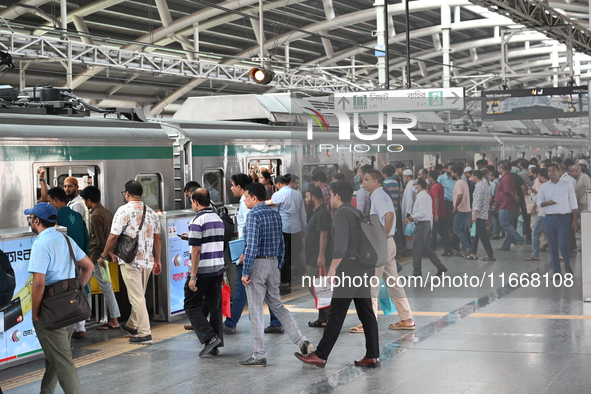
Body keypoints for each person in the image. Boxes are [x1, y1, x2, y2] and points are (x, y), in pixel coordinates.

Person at [294, 181, 380, 368]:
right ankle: (372, 355)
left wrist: (332, 269)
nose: (330, 199)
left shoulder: (341, 214)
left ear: (338, 196)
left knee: (336, 313)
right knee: (366, 313)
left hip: (349, 269)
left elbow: (341, 246)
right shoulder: (357, 212)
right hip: (364, 268)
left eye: (332, 195)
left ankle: (321, 355)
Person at [239, 182, 313, 366]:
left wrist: (245, 271)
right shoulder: (274, 214)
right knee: (278, 306)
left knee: (255, 311)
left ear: (255, 198)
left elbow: (252, 246)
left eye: (246, 196)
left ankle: (258, 355)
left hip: (257, 264)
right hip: (273, 264)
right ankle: (302, 341)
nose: (244, 199)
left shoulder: (253, 216)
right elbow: (281, 244)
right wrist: (278, 268)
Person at [26, 202, 94, 394]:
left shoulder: (40, 244)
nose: (30, 221)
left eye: (30, 218)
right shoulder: (66, 239)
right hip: (70, 306)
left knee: (62, 360)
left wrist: (36, 312)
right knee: (54, 357)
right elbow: (89, 266)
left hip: (50, 310)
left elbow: (39, 283)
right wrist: (78, 290)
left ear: (37, 221)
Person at [99, 180, 162, 344]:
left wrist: (104, 254)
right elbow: (158, 238)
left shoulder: (123, 210)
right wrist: (158, 260)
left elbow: (113, 236)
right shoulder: (152, 212)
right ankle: (133, 325)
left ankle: (144, 333)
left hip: (129, 261)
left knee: (136, 297)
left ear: (127, 193)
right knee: (139, 295)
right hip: (148, 261)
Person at [354, 169, 414, 332]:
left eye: (366, 179)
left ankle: (369, 322)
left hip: (381, 244)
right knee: (393, 282)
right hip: (388, 243)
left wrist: (381, 237)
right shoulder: (379, 195)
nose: (363, 182)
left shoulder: (379, 196)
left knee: (371, 285)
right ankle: (406, 319)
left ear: (376, 182)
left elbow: (389, 216)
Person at [184, 188, 225, 356]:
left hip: (202, 271)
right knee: (214, 306)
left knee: (190, 304)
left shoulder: (197, 221)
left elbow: (196, 251)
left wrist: (193, 276)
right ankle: (216, 343)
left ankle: (209, 338)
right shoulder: (217, 218)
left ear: (195, 202)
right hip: (217, 269)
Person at [47, 187, 90, 339]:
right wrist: (84, 256)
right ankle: (81, 326)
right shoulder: (77, 216)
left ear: (56, 201)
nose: (49, 204)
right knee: (80, 289)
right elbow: (86, 238)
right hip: (80, 259)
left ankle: (71, 326)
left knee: (65, 292)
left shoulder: (54, 217)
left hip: (64, 262)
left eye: (50, 201)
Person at [79, 186, 121, 331]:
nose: (85, 203)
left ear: (89, 200)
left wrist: (106, 254)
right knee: (100, 286)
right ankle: (87, 315)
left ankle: (113, 319)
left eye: (85, 200)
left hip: (97, 256)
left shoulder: (95, 215)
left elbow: (101, 239)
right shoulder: (107, 212)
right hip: (102, 256)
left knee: (98, 286)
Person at [223, 174, 253, 334]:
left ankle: (231, 322)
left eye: (233, 185)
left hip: (245, 250)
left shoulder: (244, 203)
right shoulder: (247, 202)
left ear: (240, 187)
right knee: (267, 290)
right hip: (249, 249)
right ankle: (276, 322)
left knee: (241, 287)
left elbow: (249, 228)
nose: (231, 188)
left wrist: (244, 252)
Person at [537, 164, 578, 275]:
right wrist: (547, 203)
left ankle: (567, 264)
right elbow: (539, 202)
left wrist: (575, 220)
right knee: (552, 245)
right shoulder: (544, 187)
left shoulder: (567, 185)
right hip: (550, 219)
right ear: (547, 173)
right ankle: (556, 272)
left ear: (558, 171)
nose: (552, 172)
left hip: (564, 218)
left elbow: (573, 203)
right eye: (549, 171)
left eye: (554, 170)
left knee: (563, 244)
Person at [304, 185, 333, 328]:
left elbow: (323, 234)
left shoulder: (322, 213)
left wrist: (321, 256)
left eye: (307, 196)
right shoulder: (316, 212)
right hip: (312, 257)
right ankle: (323, 318)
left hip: (318, 259)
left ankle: (328, 317)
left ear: (313, 198)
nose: (305, 199)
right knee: (318, 288)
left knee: (320, 288)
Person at [271, 176, 307, 286]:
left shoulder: (277, 195)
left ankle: (286, 278)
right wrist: (303, 227)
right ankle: (301, 272)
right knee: (294, 251)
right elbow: (302, 212)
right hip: (296, 228)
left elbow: (274, 214)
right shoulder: (297, 194)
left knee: (284, 253)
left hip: (283, 228)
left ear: (278, 184)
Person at [409, 178, 447, 277]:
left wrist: (412, 216)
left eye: (415, 184)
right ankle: (440, 266)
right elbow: (428, 213)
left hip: (421, 225)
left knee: (416, 248)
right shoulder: (426, 196)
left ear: (419, 186)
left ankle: (416, 272)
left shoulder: (421, 197)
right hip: (426, 224)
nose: (414, 186)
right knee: (426, 247)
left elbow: (423, 213)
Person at [466, 170, 495, 261]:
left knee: (483, 236)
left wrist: (474, 215)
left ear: (475, 176)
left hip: (479, 215)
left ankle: (491, 255)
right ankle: (472, 253)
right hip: (483, 214)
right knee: (476, 235)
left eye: (472, 176)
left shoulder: (478, 187)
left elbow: (477, 202)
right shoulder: (484, 186)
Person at [496, 163, 524, 251]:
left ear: (502, 168)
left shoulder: (506, 178)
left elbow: (508, 190)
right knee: (508, 225)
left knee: (504, 223)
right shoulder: (509, 178)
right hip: (508, 205)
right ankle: (506, 246)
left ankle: (519, 239)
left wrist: (514, 196)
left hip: (505, 205)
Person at [525, 168, 548, 261]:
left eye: (539, 176)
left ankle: (534, 254)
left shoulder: (544, 186)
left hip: (542, 214)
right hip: (550, 214)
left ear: (542, 176)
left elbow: (538, 199)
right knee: (552, 235)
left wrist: (531, 194)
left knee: (535, 233)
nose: (538, 178)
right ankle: (560, 254)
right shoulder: (551, 185)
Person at [428, 171, 451, 256]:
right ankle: (447, 250)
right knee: (444, 233)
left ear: (431, 177)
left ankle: (431, 250)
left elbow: (436, 200)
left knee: (433, 233)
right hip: (443, 212)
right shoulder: (440, 185)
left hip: (436, 213)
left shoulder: (434, 187)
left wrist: (436, 214)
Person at [452, 165, 472, 257]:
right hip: (467, 209)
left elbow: (459, 196)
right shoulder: (464, 182)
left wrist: (455, 207)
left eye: (452, 172)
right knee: (463, 230)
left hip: (461, 209)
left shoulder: (459, 183)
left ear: (456, 173)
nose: (451, 174)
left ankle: (467, 246)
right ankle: (463, 250)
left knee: (456, 229)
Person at [437, 163, 456, 254]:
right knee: (445, 226)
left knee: (452, 226)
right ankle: (447, 247)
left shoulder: (455, 179)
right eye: (450, 168)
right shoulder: (441, 178)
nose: (451, 170)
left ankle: (450, 246)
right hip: (445, 203)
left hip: (455, 204)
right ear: (446, 169)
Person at [400, 169, 417, 252]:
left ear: (406, 177)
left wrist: (408, 214)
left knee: (409, 231)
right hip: (412, 212)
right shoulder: (413, 183)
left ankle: (410, 248)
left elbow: (410, 200)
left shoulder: (410, 184)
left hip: (409, 213)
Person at [489, 170, 502, 240]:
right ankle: (502, 232)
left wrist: (489, 203)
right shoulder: (500, 182)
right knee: (499, 218)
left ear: (493, 176)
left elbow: (492, 195)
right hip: (500, 202)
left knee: (495, 218)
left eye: (490, 175)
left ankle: (496, 234)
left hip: (494, 203)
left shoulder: (494, 183)